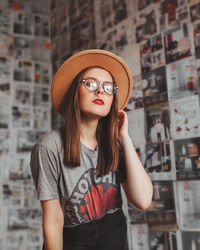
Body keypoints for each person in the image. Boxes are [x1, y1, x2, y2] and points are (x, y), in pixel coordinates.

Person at [30, 49, 153, 250]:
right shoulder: (49, 146)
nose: (100, 91)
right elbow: (53, 221)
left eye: (107, 87)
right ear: (74, 93)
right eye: (91, 84)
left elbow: (143, 200)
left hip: (115, 239)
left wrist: (125, 138)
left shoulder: (115, 144)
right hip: (73, 241)